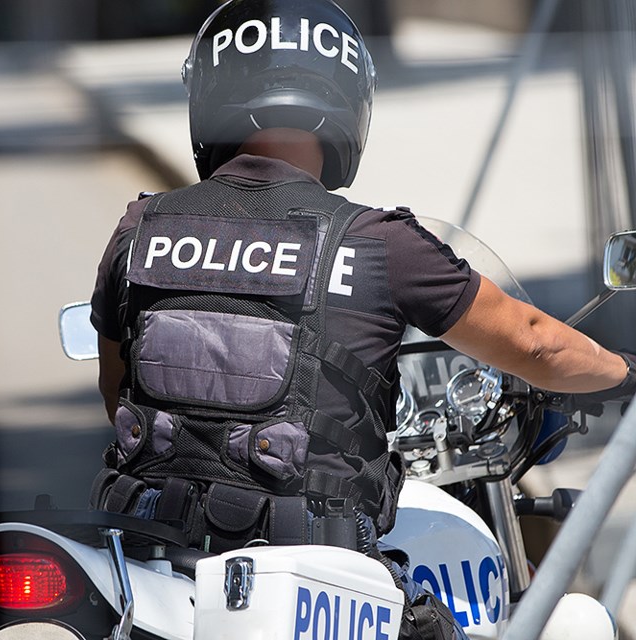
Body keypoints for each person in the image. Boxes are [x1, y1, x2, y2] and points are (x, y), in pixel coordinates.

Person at [88, 0, 636, 637]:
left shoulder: (141, 228)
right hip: (317, 575)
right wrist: (625, 370)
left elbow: (115, 385)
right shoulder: (377, 243)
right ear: (348, 101)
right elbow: (535, 343)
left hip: (149, 559)